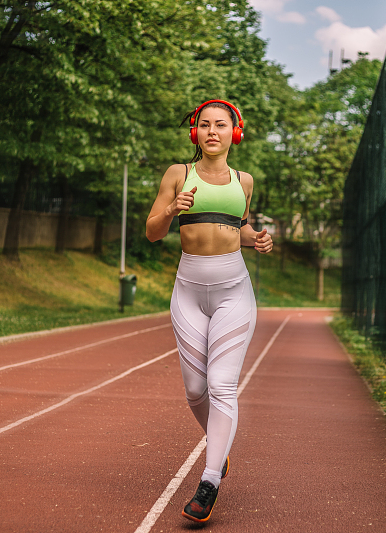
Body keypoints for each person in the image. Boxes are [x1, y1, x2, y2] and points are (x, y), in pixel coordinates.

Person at [146, 99, 273, 523]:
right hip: (188, 292)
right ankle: (221, 447)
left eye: (221, 125)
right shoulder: (177, 174)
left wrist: (257, 239)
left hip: (233, 292)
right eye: (204, 125)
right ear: (194, 133)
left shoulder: (245, 180)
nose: (212, 131)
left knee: (221, 385)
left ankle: (210, 478)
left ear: (234, 133)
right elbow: (152, 232)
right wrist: (171, 208)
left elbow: (238, 227)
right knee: (196, 392)